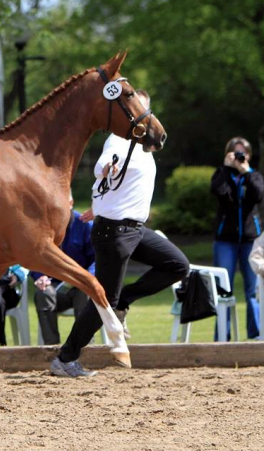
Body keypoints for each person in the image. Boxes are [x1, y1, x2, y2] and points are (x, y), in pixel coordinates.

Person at [51, 90, 189, 377]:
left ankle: (124, 301)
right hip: (114, 234)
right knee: (104, 302)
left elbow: (121, 188)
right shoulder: (120, 139)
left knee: (178, 265)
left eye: (144, 108)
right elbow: (105, 166)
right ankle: (66, 358)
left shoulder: (143, 145)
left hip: (135, 230)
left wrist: (98, 205)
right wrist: (106, 170)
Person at [212, 137, 264, 339]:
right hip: (226, 241)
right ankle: (222, 338)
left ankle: (256, 335)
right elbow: (219, 192)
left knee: (252, 291)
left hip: (251, 241)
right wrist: (226, 169)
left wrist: (246, 173)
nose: (239, 157)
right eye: (235, 153)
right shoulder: (221, 175)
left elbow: (258, 195)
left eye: (243, 153)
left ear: (249, 155)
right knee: (224, 291)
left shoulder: (255, 176)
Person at [31, 193, 94, 345]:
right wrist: (39, 276)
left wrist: (87, 277)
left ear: (71, 202)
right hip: (55, 287)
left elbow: (97, 260)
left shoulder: (85, 225)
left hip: (80, 285)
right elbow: (34, 257)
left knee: (84, 293)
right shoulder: (42, 227)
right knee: (43, 293)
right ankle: (51, 349)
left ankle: (84, 348)